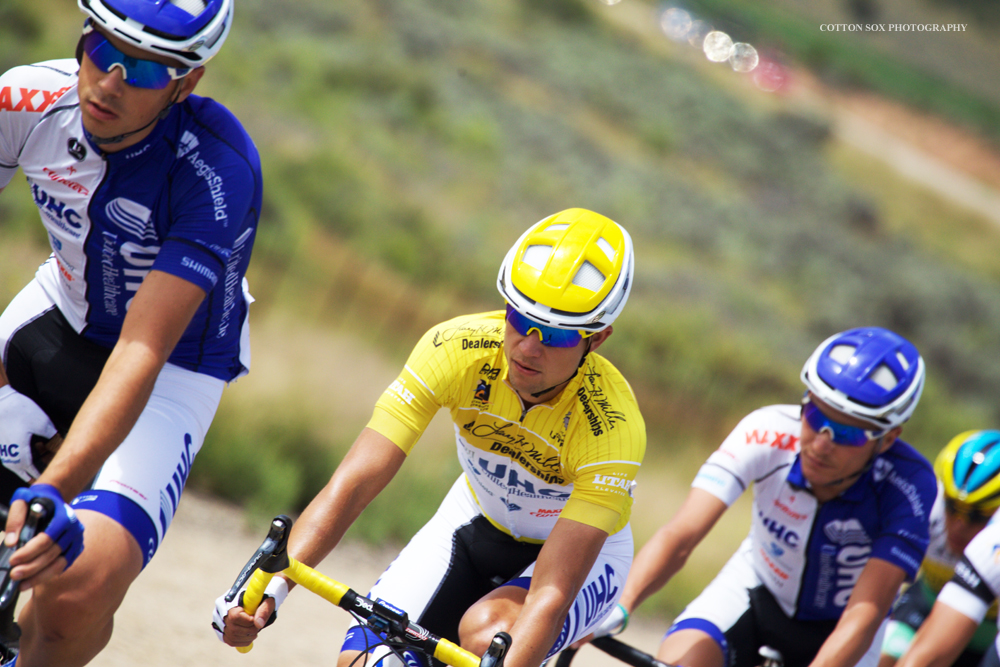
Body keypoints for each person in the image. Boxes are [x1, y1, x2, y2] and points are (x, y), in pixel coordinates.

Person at [213, 208, 647, 667]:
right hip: (473, 518)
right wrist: (269, 589)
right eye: (519, 319)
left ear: (597, 339)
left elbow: (550, 596)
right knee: (366, 660)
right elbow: (353, 484)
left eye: (556, 335)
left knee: (488, 636)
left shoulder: (613, 426)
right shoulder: (454, 349)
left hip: (579, 562)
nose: (528, 346)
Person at [0, 0, 261, 664]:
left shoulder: (219, 168)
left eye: (143, 70)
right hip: (59, 310)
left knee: (74, 585)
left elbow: (143, 347)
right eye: (102, 50)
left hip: (172, 367)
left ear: (186, 83)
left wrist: (56, 486)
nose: (110, 81)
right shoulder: (26, 99)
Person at [584, 327, 937, 667]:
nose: (821, 443)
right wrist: (620, 604)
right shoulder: (766, 431)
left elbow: (867, 611)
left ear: (888, 439)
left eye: (847, 433)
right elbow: (681, 534)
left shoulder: (910, 484)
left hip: (843, 624)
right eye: (815, 415)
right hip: (756, 588)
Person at [879, 431, 1000, 667]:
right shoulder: (925, 510)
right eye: (952, 507)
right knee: (883, 658)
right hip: (925, 606)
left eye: (977, 516)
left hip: (989, 637)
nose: (959, 525)